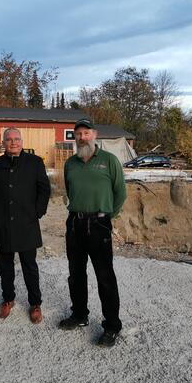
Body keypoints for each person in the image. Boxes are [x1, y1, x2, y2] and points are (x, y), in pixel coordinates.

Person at [58, 118, 127, 347]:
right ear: (74, 137)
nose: (82, 137)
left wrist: (107, 217)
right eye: (78, 134)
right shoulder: (70, 164)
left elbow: (120, 193)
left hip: (100, 225)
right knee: (75, 274)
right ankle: (79, 315)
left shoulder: (109, 161)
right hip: (75, 225)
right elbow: (69, 191)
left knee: (105, 277)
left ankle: (112, 325)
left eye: (86, 133)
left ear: (94, 135)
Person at [0, 128, 51, 323]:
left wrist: (37, 213)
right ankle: (8, 299)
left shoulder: (35, 162)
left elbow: (44, 190)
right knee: (5, 266)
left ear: (22, 141)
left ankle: (35, 303)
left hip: (27, 224)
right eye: (9, 139)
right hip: (3, 225)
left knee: (30, 266)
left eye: (17, 139)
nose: (13, 142)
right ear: (3, 142)